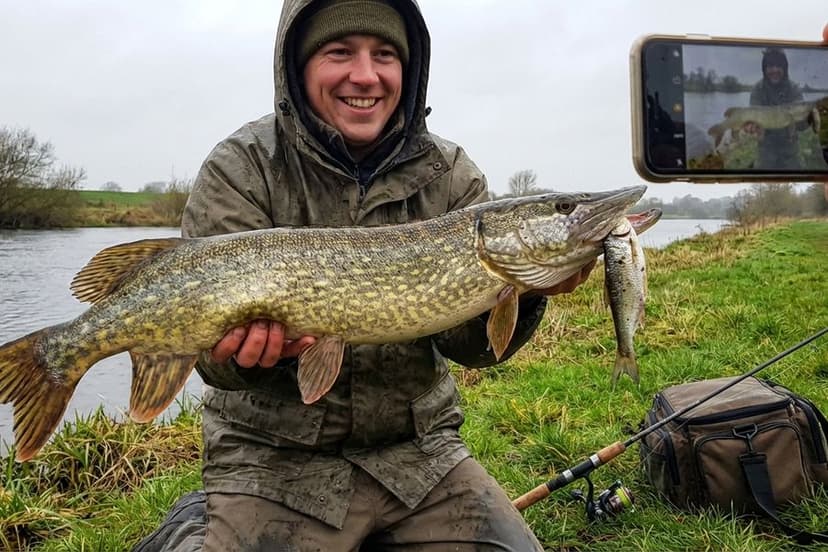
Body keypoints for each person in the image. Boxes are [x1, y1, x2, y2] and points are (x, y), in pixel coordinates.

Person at [134, 1, 594, 551]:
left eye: (384, 55)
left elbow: (473, 348)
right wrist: (244, 357)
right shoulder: (242, 167)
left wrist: (531, 288)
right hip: (274, 460)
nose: (365, 75)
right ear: (297, 67)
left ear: (409, 67)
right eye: (339, 52)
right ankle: (194, 526)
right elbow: (212, 358)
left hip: (419, 458)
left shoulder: (450, 175)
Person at [746, 48, 810, 169]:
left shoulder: (794, 89)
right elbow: (753, 123)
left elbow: (802, 127)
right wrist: (753, 129)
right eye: (770, 66)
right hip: (766, 152)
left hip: (790, 152)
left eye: (779, 66)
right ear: (764, 69)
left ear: (785, 69)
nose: (774, 70)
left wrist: (806, 118)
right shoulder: (757, 90)